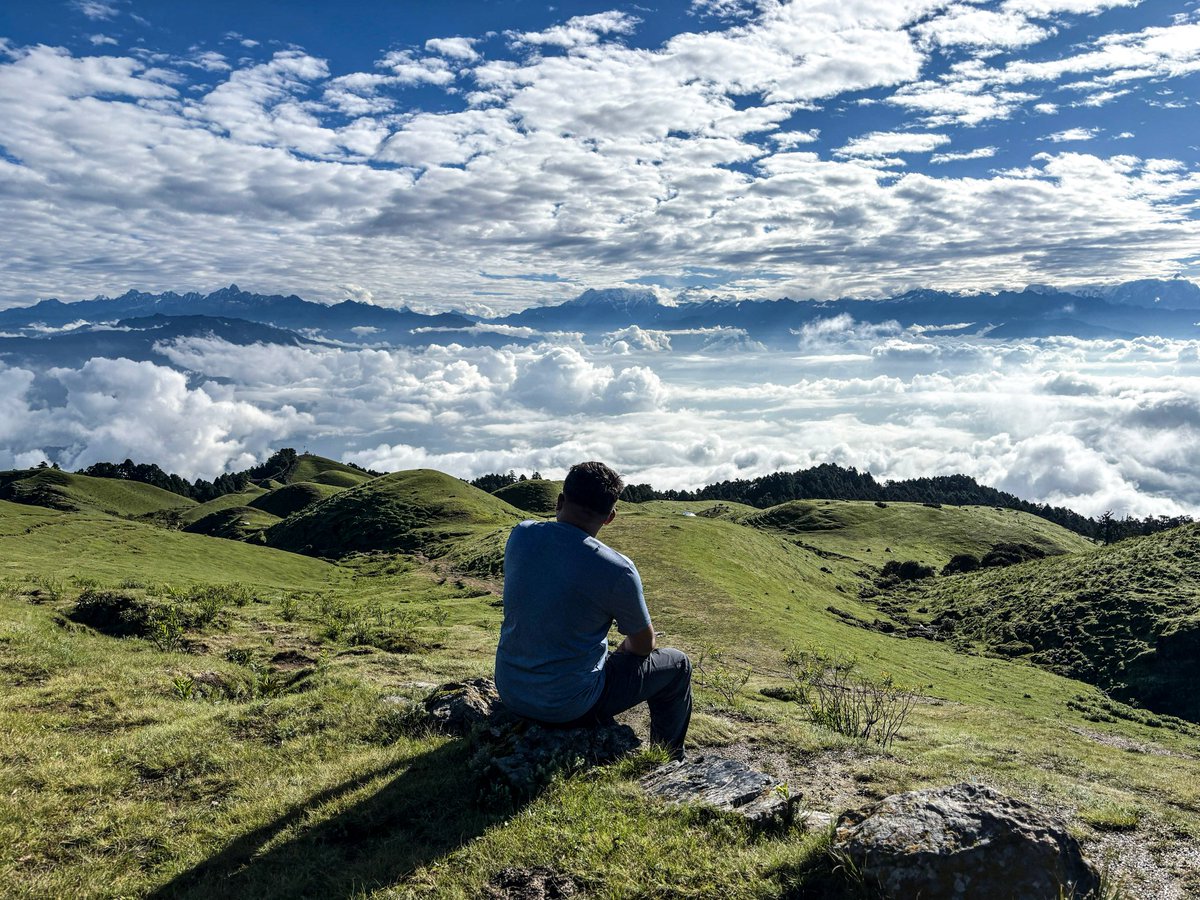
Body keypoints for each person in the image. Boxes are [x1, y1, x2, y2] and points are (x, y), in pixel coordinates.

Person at [494, 460, 692, 759]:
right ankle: (669, 758)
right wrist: (622, 650)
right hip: (567, 706)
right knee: (677, 665)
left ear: (560, 501)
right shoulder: (617, 570)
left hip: (511, 691)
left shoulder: (521, 534)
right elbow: (644, 645)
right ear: (610, 517)